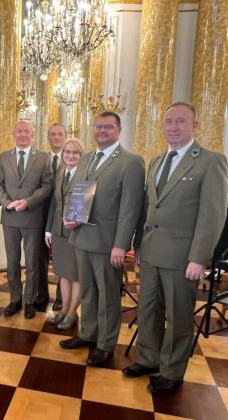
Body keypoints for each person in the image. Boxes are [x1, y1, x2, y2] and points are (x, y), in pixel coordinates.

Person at [123, 102, 227, 394]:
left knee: (178, 316)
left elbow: (212, 216)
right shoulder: (157, 161)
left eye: (181, 121)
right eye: (169, 121)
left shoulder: (210, 161)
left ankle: (171, 371)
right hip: (151, 252)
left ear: (195, 126)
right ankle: (148, 359)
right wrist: (138, 244)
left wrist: (199, 258)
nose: (173, 127)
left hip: (183, 257)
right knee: (148, 310)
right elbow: (148, 207)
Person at [60, 112, 145, 367]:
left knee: (107, 295)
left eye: (108, 127)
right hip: (82, 237)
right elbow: (78, 192)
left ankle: (105, 343)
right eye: (98, 126)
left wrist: (121, 244)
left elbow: (131, 208)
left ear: (119, 130)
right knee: (87, 291)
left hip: (108, 243)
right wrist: (70, 216)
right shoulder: (87, 157)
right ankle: (87, 333)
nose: (102, 131)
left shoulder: (131, 162)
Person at [0, 120, 53, 319]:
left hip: (32, 218)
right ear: (13, 133)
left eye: (27, 131)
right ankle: (15, 299)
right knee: (12, 262)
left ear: (33, 134)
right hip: (10, 218)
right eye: (19, 131)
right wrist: (6, 203)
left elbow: (47, 186)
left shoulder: (43, 158)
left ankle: (29, 301)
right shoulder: (4, 157)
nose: (23, 134)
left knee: (32, 264)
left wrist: (28, 201)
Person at [45, 139, 84, 330]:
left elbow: (86, 204)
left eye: (75, 153)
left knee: (75, 275)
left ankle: (72, 313)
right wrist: (48, 229)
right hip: (58, 231)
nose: (70, 156)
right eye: (67, 152)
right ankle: (64, 310)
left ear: (81, 155)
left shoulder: (85, 175)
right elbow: (54, 203)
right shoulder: (60, 172)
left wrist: (77, 220)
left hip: (77, 232)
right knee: (63, 273)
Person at [38, 123, 66, 312]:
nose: (56, 137)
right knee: (39, 259)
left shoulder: (73, 158)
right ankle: (41, 295)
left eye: (60, 134)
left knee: (63, 260)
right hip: (40, 217)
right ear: (48, 137)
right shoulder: (40, 159)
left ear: (65, 137)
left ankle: (61, 298)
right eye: (53, 134)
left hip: (63, 219)